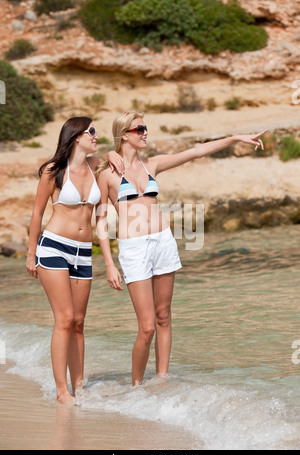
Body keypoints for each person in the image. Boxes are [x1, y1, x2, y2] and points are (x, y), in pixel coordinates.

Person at [96, 110, 267, 386]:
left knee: (164, 317)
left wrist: (235, 138)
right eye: (140, 129)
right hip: (134, 249)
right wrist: (108, 263)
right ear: (125, 133)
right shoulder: (107, 173)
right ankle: (136, 387)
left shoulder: (153, 164)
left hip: (163, 241)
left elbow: (196, 152)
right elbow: (101, 219)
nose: (145, 133)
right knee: (147, 327)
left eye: (145, 128)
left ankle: (162, 380)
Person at [26, 116, 124, 405]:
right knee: (65, 319)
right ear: (75, 136)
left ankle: (79, 385)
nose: (96, 135)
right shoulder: (53, 171)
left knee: (79, 322)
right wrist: (31, 254)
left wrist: (110, 152)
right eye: (91, 131)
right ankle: (61, 391)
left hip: (83, 251)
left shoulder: (96, 168)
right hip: (54, 247)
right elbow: (36, 213)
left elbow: (113, 168)